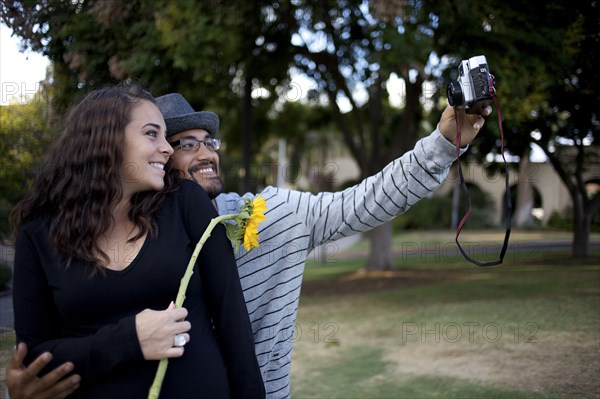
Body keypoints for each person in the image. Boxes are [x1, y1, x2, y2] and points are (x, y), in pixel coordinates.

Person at [6, 91, 489, 399]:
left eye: (208, 141)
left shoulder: (269, 215)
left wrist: (445, 142)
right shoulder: (86, 236)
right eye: (185, 143)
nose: (206, 153)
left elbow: (365, 202)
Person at [9, 85, 265, 398]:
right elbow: (36, 360)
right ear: (107, 140)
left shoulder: (186, 203)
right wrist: (129, 341)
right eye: (151, 134)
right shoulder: (38, 235)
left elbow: (233, 324)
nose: (167, 148)